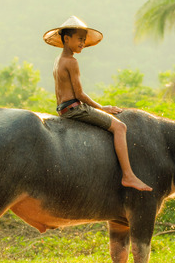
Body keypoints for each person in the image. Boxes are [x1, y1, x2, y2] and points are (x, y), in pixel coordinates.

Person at [43, 16, 152, 191]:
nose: (82, 43)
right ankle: (128, 175)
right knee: (120, 127)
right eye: (79, 39)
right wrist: (102, 108)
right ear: (66, 39)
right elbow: (79, 94)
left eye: (84, 40)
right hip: (75, 109)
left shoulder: (58, 60)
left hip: (62, 109)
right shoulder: (71, 62)